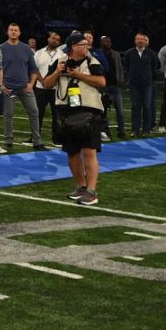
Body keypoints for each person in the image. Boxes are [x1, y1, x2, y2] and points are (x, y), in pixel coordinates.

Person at [40, 32, 108, 206]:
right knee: (72, 152)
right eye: (82, 44)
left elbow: (101, 82)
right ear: (72, 47)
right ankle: (81, 187)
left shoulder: (92, 61)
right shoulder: (60, 60)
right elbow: (46, 84)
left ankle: (92, 191)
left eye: (87, 44)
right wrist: (57, 72)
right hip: (66, 111)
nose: (86, 47)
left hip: (88, 110)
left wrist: (78, 75)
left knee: (89, 151)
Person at [0, 23, 44, 150]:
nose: (13, 32)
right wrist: (1, 85)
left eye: (16, 30)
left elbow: (33, 69)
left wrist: (31, 84)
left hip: (25, 87)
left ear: (19, 33)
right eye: (11, 30)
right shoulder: (1, 48)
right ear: (8, 32)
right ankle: (8, 140)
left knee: (34, 111)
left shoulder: (26, 49)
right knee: (8, 114)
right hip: (8, 87)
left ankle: (37, 141)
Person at [122, 32, 160, 137]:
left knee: (147, 106)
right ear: (135, 40)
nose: (140, 41)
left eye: (142, 39)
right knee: (135, 106)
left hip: (147, 84)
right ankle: (135, 130)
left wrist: (148, 78)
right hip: (134, 85)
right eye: (138, 39)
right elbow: (127, 67)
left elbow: (154, 68)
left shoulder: (152, 54)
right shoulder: (129, 53)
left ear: (145, 41)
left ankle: (146, 130)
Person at [32, 31, 63, 143]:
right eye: (53, 38)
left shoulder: (62, 55)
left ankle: (57, 139)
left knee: (57, 116)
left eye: (58, 39)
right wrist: (43, 81)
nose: (55, 41)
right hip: (40, 88)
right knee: (37, 114)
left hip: (56, 89)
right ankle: (35, 138)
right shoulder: (38, 53)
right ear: (48, 39)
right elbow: (34, 69)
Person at [95, 34, 127, 140]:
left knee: (120, 111)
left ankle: (121, 131)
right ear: (101, 43)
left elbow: (120, 68)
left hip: (114, 86)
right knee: (102, 111)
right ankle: (105, 131)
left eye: (109, 41)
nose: (107, 43)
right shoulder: (97, 54)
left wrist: (120, 80)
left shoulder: (116, 54)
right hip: (102, 86)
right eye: (105, 41)